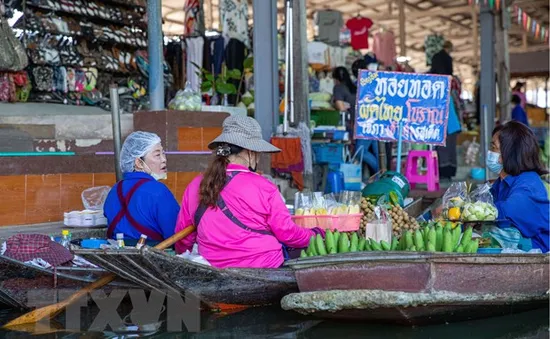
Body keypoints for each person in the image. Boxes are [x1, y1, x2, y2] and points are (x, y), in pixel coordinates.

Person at [174, 115, 323, 268]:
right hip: (264, 266)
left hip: (212, 268)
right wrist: (316, 235)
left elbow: (183, 241)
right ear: (251, 152)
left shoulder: (195, 185)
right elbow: (287, 233)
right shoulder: (264, 186)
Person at [104, 131, 180, 243]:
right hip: (153, 257)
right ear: (139, 163)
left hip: (119, 256)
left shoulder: (114, 190)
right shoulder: (158, 191)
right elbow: (175, 234)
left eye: (163, 154)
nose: (164, 159)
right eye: (157, 155)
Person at [488, 122, 549, 252]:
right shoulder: (502, 182)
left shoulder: (529, 183)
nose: (489, 153)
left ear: (508, 153)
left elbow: (506, 212)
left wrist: (467, 208)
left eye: (494, 148)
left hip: (536, 253)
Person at [332, 66, 357, 132]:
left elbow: (341, 108)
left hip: (350, 124)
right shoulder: (354, 87)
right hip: (361, 124)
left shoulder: (338, 87)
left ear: (336, 79)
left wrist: (333, 104)